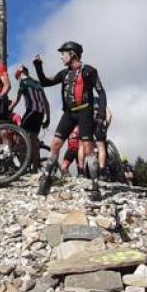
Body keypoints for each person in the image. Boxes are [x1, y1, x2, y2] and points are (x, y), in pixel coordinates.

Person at [34, 41, 108, 201]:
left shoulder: (89, 71)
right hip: (68, 113)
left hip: (85, 111)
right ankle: (46, 179)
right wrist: (38, 66)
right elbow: (45, 82)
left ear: (73, 54)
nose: (61, 57)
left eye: (63, 53)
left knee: (88, 148)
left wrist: (101, 112)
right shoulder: (64, 73)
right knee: (55, 144)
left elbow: (101, 92)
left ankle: (95, 186)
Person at [10, 64, 51, 170]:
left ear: (20, 74)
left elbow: (17, 100)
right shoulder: (37, 83)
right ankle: (35, 168)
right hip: (41, 113)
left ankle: (24, 165)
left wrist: (9, 108)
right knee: (33, 139)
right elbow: (46, 102)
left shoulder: (23, 83)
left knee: (20, 136)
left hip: (31, 111)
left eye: (17, 77)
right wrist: (48, 118)